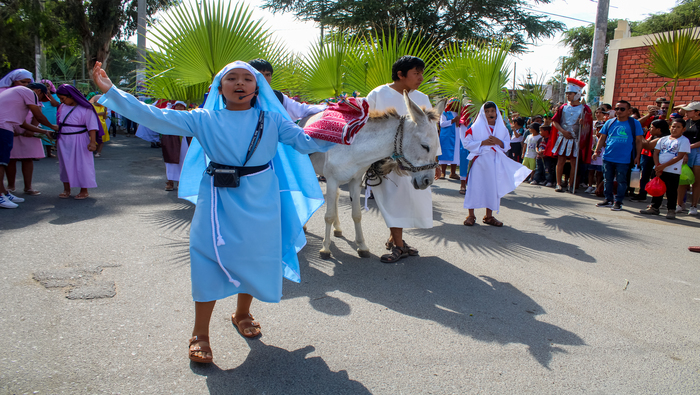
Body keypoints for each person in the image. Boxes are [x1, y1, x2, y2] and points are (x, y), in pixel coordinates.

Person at [93, 60, 336, 364]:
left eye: (247, 78)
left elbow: (307, 141)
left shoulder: (273, 120)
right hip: (217, 199)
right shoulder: (204, 119)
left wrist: (343, 121)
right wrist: (112, 91)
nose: (239, 83)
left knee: (256, 256)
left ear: (257, 86)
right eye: (231, 78)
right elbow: (156, 117)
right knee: (206, 257)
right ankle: (200, 334)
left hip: (262, 199)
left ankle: (242, 312)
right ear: (219, 87)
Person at [365, 55, 438, 263]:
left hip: (418, 162)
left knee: (413, 199)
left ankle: (395, 238)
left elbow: (431, 133)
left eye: (421, 73)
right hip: (386, 162)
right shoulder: (378, 94)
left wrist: (436, 160)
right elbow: (365, 123)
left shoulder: (422, 98)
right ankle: (399, 245)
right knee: (393, 200)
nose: (421, 77)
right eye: (416, 73)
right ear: (400, 74)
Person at [462, 102, 529, 227]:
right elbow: (466, 143)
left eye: (492, 111)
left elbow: (507, 144)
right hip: (479, 162)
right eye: (487, 111)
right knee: (474, 186)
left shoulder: (502, 129)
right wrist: (482, 143)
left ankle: (489, 216)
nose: (490, 114)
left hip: (494, 162)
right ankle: (471, 215)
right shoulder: (475, 128)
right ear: (483, 113)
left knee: (492, 188)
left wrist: (499, 142)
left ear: (496, 112)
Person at [0, 82, 57, 208]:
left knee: (3, 161)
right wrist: (52, 126)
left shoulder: (16, 94)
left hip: (5, 126)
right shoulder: (28, 92)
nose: (39, 101)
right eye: (41, 97)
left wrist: (45, 131)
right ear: (37, 91)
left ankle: (4, 192)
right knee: (1, 162)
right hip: (3, 127)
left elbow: (22, 124)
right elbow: (38, 116)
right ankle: (0, 196)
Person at [592, 100, 644, 211]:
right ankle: (608, 199)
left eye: (622, 109)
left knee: (621, 180)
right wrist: (596, 151)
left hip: (624, 158)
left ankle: (618, 201)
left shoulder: (634, 123)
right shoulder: (610, 122)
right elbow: (602, 138)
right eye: (617, 109)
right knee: (607, 179)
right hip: (608, 157)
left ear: (629, 111)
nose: (618, 111)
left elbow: (639, 141)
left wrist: (638, 156)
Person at [55, 84, 104, 200]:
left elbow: (92, 126)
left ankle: (84, 190)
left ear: (71, 96)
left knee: (82, 164)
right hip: (64, 139)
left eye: (63, 98)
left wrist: (93, 142)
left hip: (80, 139)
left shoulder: (86, 108)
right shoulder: (62, 107)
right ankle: (66, 189)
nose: (61, 101)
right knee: (64, 165)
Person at [639, 119, 690, 219]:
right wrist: (657, 165)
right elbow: (656, 152)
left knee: (671, 191)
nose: (674, 129)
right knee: (657, 188)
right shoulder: (663, 139)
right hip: (658, 168)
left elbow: (679, 156)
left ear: (683, 129)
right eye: (673, 126)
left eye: (678, 127)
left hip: (672, 170)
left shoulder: (684, 141)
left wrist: (663, 166)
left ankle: (671, 210)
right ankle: (654, 207)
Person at [550, 78, 593, 193]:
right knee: (561, 161)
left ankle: (571, 184)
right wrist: (563, 131)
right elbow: (555, 121)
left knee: (574, 162)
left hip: (576, 138)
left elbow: (588, 127)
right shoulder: (563, 107)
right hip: (563, 137)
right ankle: (558, 184)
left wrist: (583, 124)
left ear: (577, 94)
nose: (568, 95)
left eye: (570, 93)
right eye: (567, 93)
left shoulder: (585, 108)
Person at [247, 58, 326, 121]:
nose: (264, 78)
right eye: (260, 75)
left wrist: (328, 107)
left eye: (268, 75)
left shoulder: (278, 97)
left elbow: (301, 109)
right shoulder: (240, 96)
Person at [631, 119, 670, 201]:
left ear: (659, 129)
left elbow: (647, 145)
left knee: (656, 179)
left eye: (652, 127)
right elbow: (645, 143)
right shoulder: (653, 135)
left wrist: (640, 134)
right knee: (644, 176)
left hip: (660, 161)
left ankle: (655, 200)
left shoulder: (663, 138)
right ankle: (642, 194)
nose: (649, 129)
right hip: (651, 158)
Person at [676, 102, 700, 214]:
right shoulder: (686, 122)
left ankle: (694, 206)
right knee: (683, 179)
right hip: (685, 152)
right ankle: (680, 204)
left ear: (697, 112)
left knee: (696, 181)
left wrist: (689, 147)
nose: (687, 112)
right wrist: (684, 151)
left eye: (690, 110)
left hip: (698, 152)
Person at [161, 100, 190, 191]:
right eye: (177, 106)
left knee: (183, 160)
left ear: (184, 107)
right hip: (171, 140)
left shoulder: (188, 115)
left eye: (181, 106)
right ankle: (170, 182)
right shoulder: (170, 114)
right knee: (170, 161)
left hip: (184, 140)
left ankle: (180, 182)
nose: (179, 108)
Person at [438, 98, 461, 179]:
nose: (456, 106)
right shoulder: (445, 113)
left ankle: (453, 173)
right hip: (447, 137)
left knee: (455, 155)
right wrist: (453, 120)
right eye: (455, 104)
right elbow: (442, 124)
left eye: (458, 104)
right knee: (445, 153)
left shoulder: (460, 114)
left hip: (457, 137)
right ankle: (442, 172)